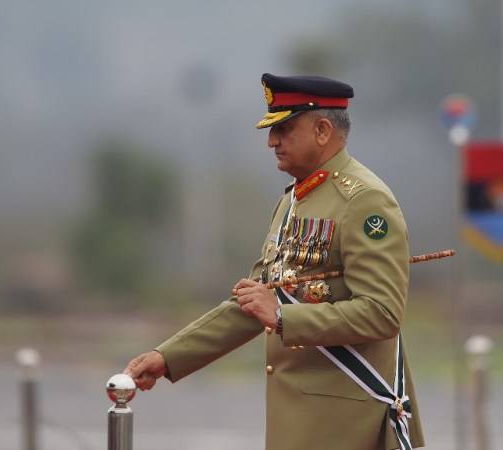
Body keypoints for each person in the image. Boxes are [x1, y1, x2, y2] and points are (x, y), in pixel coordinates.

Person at [124, 73, 425, 450]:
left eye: (284, 128)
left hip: (345, 423)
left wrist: (284, 318)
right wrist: (167, 357)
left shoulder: (364, 201)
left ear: (322, 129)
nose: (271, 141)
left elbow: (382, 313)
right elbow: (253, 303)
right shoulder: (292, 200)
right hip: (298, 422)